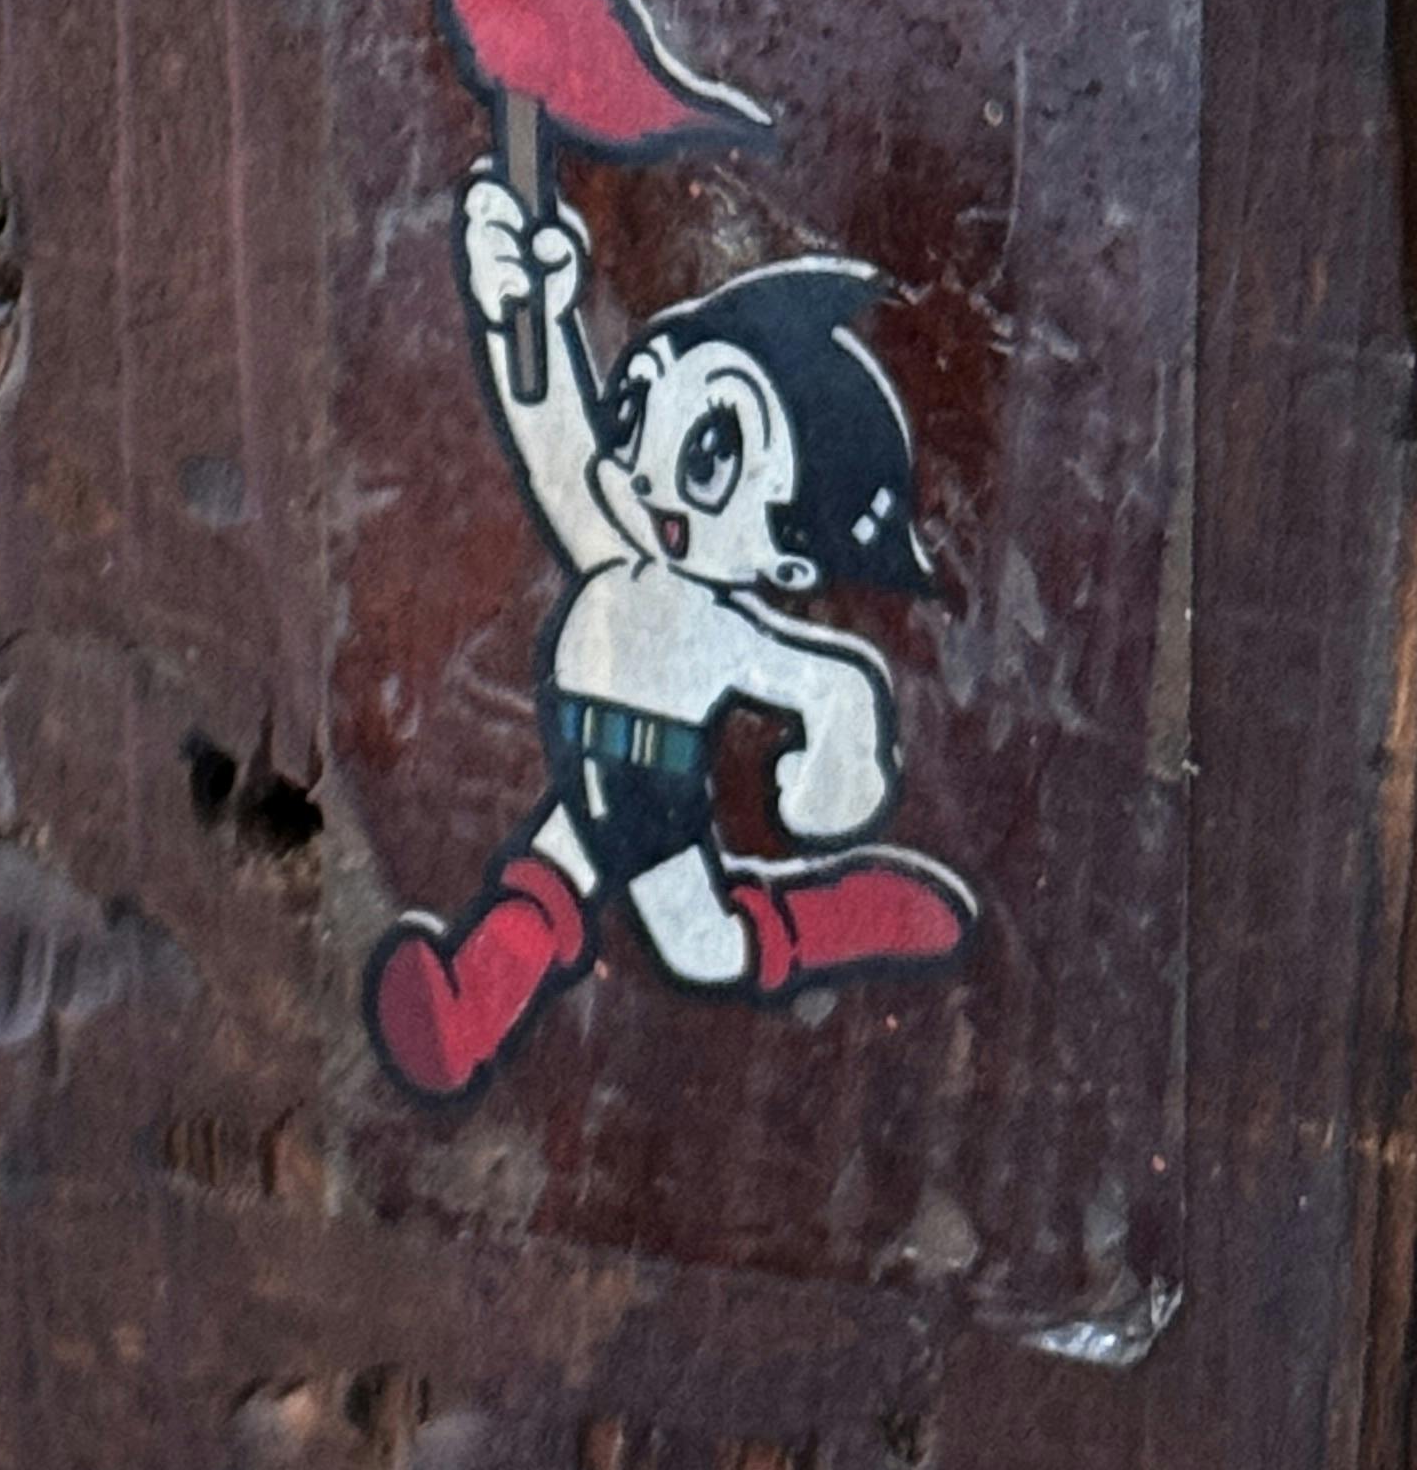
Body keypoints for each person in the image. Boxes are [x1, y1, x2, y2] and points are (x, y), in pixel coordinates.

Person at [364, 167, 973, 1106]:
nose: (644, 471)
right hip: (591, 764)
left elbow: (827, 685)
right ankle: (461, 1011)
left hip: (652, 791)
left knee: (701, 944)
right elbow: (555, 435)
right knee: (551, 880)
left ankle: (848, 916)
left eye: (710, 453)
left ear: (790, 560)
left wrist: (835, 777)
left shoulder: (721, 633)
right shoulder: (613, 541)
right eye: (639, 405)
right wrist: (524, 308)